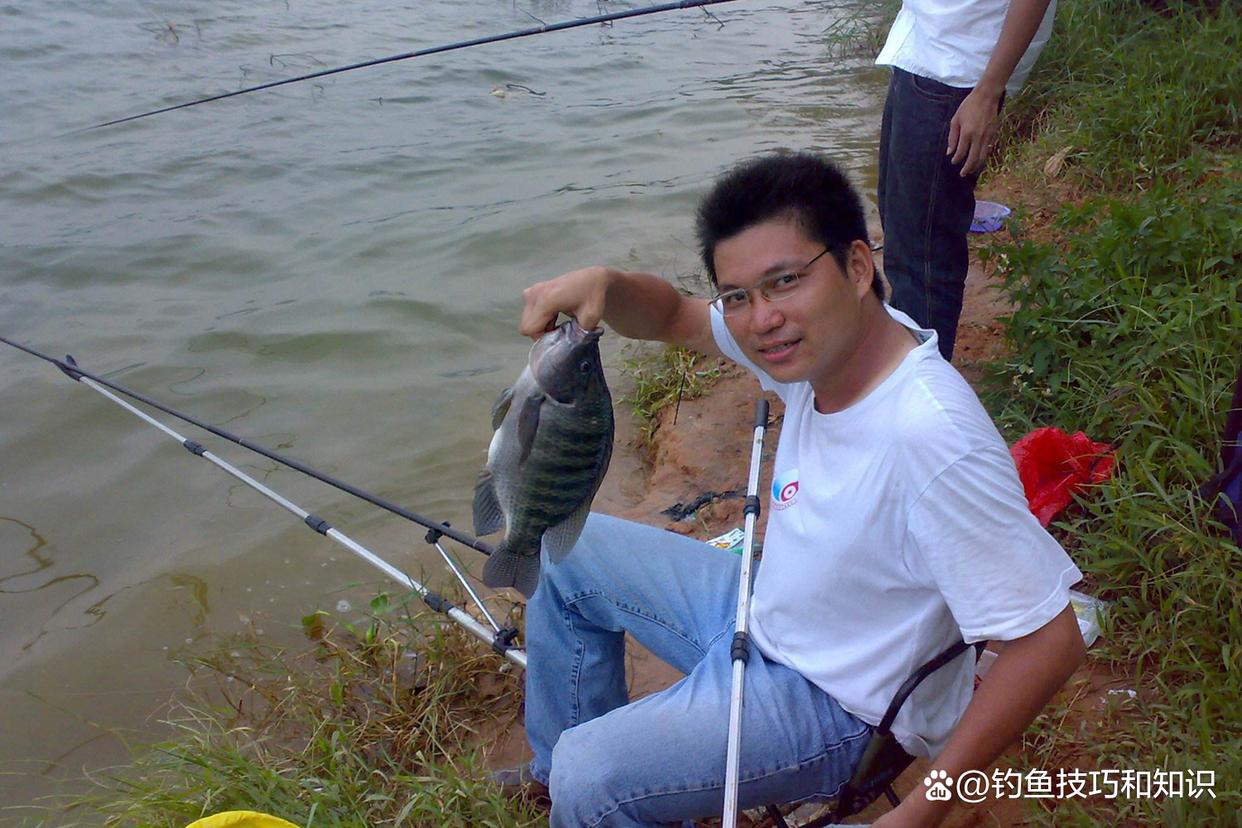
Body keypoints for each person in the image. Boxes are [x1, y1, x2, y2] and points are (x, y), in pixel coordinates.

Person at [508, 151, 1085, 827]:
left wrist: (917, 815)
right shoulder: (819, 352)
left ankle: (584, 793)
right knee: (566, 547)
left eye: (785, 282)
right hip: (766, 612)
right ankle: (556, 782)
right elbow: (674, 317)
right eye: (739, 296)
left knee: (595, 773)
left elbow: (1052, 639)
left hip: (837, 704)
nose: (762, 319)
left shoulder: (932, 436)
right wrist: (605, 283)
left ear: (859, 267)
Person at [876, 0, 1057, 360]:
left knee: (923, 262)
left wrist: (988, 92)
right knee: (902, 243)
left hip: (955, 74)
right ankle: (903, 373)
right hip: (921, 51)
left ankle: (921, 392)